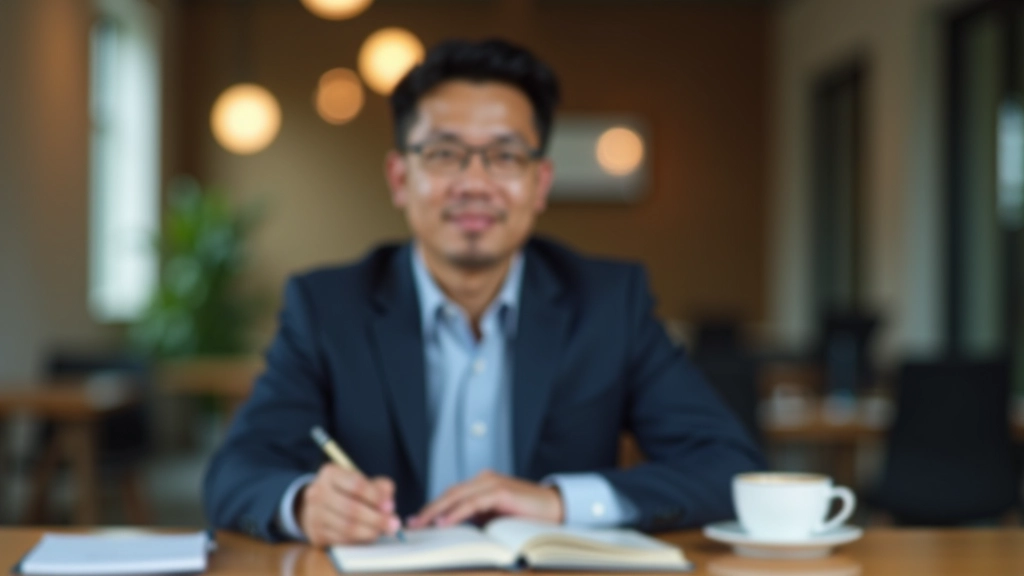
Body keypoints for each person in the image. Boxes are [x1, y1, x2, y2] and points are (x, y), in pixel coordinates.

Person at [203, 38, 764, 546]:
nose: (474, 183)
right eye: (444, 154)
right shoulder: (328, 307)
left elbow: (726, 465)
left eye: (504, 156)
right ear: (400, 178)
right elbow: (235, 472)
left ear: (540, 183)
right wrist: (304, 504)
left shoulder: (607, 303)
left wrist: (560, 502)